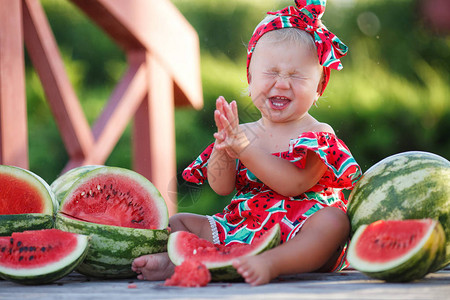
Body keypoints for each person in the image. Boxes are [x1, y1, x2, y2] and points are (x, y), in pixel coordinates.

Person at [132, 0, 362, 286]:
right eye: (271, 72)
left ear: (318, 88)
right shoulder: (243, 132)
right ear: (250, 78)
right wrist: (224, 150)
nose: (281, 83)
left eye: (296, 75)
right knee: (179, 222)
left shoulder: (319, 133)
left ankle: (272, 263)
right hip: (243, 227)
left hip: (299, 231)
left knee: (335, 222)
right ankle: (177, 262)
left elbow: (293, 184)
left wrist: (243, 148)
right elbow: (222, 186)